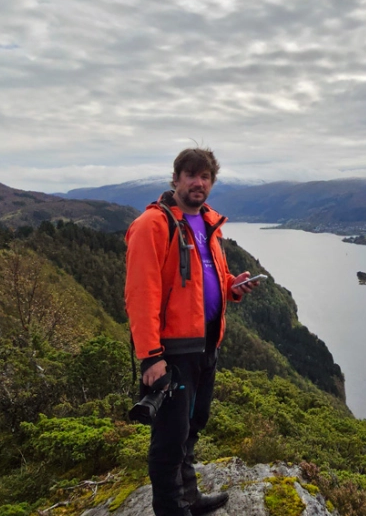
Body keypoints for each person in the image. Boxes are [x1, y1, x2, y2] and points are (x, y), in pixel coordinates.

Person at [124, 147, 258, 516]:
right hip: (172, 351)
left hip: (207, 343)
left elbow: (206, 279)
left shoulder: (208, 223)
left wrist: (233, 286)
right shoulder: (153, 225)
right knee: (169, 439)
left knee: (193, 425)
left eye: (205, 176)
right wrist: (151, 357)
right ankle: (171, 509)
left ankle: (188, 497)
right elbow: (140, 294)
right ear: (176, 179)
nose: (198, 182)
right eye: (191, 175)